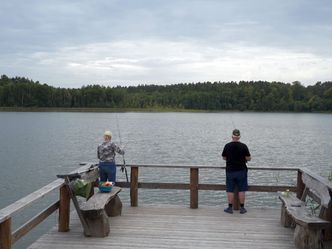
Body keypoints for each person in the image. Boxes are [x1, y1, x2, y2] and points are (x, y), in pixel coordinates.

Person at [221, 129, 251, 214]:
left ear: (232, 136)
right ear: (239, 137)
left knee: (230, 189)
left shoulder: (227, 146)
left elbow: (224, 157)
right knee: (242, 189)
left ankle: (230, 208)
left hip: (230, 171)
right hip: (241, 171)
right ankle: (242, 208)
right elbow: (248, 158)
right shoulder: (244, 146)